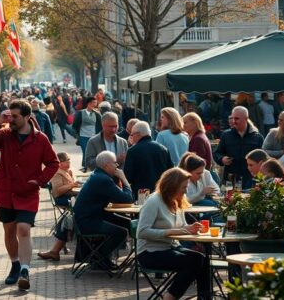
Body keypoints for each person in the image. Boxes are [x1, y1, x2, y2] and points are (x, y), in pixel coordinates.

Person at [0, 100, 60, 290]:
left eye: (15, 116)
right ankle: (15, 265)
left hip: (27, 192)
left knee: (23, 229)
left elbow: (53, 163)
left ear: (27, 117)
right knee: (9, 231)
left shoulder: (40, 139)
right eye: (10, 115)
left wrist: (40, 180)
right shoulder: (6, 134)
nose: (11, 119)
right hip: (6, 191)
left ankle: (25, 269)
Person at [136, 168, 210, 300]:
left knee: (203, 259)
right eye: (184, 187)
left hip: (170, 247)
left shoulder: (177, 201)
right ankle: (170, 297)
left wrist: (191, 228)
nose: (186, 191)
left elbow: (180, 227)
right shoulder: (153, 202)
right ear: (172, 186)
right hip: (149, 252)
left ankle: (205, 297)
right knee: (194, 260)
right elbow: (141, 232)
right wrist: (170, 232)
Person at [72, 151, 133, 269]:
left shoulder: (98, 175)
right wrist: (123, 178)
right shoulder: (103, 179)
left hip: (90, 216)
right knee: (121, 232)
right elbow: (127, 199)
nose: (117, 166)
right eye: (115, 163)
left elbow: (118, 198)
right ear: (106, 165)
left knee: (128, 223)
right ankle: (99, 259)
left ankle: (102, 258)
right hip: (87, 222)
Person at [38, 152, 80, 261]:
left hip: (71, 197)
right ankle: (60, 245)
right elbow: (58, 191)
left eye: (69, 160)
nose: (69, 162)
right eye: (67, 161)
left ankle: (57, 249)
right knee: (71, 215)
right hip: (62, 198)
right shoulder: (56, 173)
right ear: (60, 163)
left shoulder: (68, 171)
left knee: (68, 217)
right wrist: (72, 185)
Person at [214, 106, 264, 189]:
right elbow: (217, 153)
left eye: (237, 119)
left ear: (246, 118)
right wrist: (222, 159)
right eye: (232, 118)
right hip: (231, 178)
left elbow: (263, 158)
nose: (233, 121)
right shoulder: (226, 135)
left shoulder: (257, 137)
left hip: (250, 179)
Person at [124, 121, 173, 198]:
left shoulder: (132, 151)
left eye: (132, 135)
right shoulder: (163, 149)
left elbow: (128, 176)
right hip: (161, 192)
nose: (131, 137)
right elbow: (170, 173)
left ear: (138, 134)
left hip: (141, 194)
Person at [73, 96, 102, 171]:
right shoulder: (81, 113)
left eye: (96, 103)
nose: (95, 104)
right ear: (89, 103)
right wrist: (77, 135)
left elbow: (101, 125)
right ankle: (86, 166)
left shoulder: (97, 114)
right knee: (85, 151)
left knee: (93, 152)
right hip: (83, 136)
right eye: (94, 103)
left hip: (93, 136)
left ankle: (91, 166)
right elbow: (75, 124)